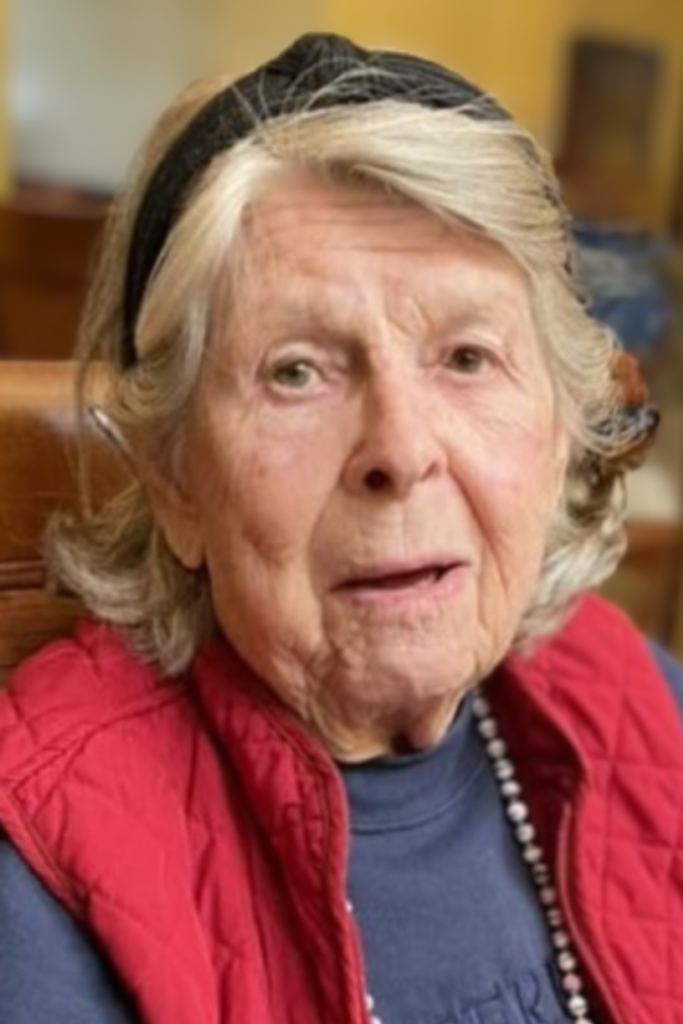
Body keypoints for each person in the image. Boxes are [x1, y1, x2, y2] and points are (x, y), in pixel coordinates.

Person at [0, 31, 679, 1024]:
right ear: (173, 475)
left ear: (559, 432)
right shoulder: (42, 864)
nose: (400, 450)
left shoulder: (635, 696)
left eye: (466, 357)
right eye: (296, 371)